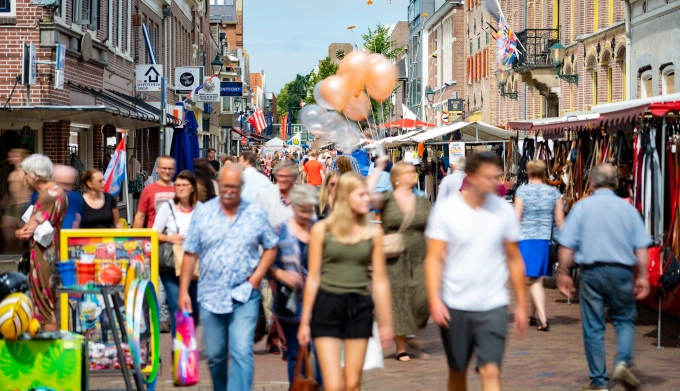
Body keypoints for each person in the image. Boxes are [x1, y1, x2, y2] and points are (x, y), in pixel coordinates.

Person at [425, 152, 527, 391]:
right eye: (489, 178)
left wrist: (522, 304)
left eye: (497, 177)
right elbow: (433, 259)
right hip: (455, 304)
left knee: (490, 370)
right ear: (470, 177)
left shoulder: (503, 211)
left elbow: (514, 259)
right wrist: (434, 300)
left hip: (493, 305)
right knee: (458, 372)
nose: (496, 183)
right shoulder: (447, 211)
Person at [179, 163, 279, 391]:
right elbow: (190, 251)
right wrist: (184, 290)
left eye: (234, 186)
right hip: (211, 295)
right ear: (218, 185)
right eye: (225, 186)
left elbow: (271, 247)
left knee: (242, 351)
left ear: (241, 187)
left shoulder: (254, 213)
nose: (229, 190)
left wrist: (256, 279)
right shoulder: (203, 212)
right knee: (215, 355)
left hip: (244, 293)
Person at [557, 163, 651, 391]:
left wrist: (563, 272)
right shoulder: (628, 209)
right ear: (615, 183)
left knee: (593, 326)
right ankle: (622, 361)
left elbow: (567, 243)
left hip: (592, 272)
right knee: (625, 320)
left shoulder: (582, 207)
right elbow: (641, 247)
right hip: (621, 272)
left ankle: (599, 380)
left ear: (592, 183)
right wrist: (643, 276)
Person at [298, 172, 393, 391]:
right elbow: (313, 277)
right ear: (346, 196)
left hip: (359, 306)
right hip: (327, 305)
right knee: (333, 385)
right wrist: (304, 321)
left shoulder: (373, 233)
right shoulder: (322, 230)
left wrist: (386, 321)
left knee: (352, 383)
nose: (366, 200)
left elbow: (380, 280)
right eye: (361, 195)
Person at [368, 159, 431, 362]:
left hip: (419, 253)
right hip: (394, 255)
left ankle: (412, 331)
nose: (414, 174)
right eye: (410, 172)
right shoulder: (386, 199)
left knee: (424, 297)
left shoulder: (422, 200)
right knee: (398, 297)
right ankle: (401, 347)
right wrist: (378, 168)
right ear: (398, 177)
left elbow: (433, 226)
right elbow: (366, 195)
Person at [271, 185, 323, 386]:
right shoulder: (280, 230)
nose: (306, 214)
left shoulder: (319, 228)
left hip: (318, 299)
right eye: (302, 209)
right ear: (293, 206)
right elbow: (268, 262)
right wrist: (280, 273)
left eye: (310, 209)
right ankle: (297, 387)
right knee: (296, 350)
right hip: (291, 301)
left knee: (321, 352)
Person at [15, 154, 67, 330]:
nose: (24, 177)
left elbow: (27, 230)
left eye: (27, 174)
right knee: (50, 303)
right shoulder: (57, 192)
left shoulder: (47, 195)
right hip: (52, 252)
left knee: (45, 308)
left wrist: (17, 231)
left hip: (43, 256)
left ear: (36, 175)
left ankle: (49, 350)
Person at [514, 160, 564, 332]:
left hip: (525, 239)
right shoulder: (553, 192)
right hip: (544, 239)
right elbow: (560, 221)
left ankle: (543, 319)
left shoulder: (522, 191)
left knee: (534, 279)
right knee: (536, 278)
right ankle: (533, 315)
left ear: (528, 173)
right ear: (544, 173)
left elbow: (516, 217)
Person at [153, 170, 201, 334]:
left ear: (193, 188)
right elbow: (153, 233)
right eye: (177, 185)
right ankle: (178, 349)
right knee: (176, 304)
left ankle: (188, 341)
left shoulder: (200, 208)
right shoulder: (168, 207)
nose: (180, 188)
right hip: (171, 262)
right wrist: (170, 238)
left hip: (194, 261)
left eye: (184, 185)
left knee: (194, 307)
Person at [2, 149, 32, 253]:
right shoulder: (12, 173)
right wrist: (5, 199)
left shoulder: (25, 172)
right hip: (12, 204)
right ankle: (11, 252)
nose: (11, 158)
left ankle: (25, 252)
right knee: (7, 226)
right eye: (10, 156)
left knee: (24, 229)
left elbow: (29, 188)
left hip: (24, 204)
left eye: (14, 156)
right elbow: (11, 189)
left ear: (22, 158)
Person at [133, 155, 176, 229]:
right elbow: (140, 216)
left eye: (170, 168)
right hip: (153, 237)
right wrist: (135, 238)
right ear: (157, 169)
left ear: (174, 170)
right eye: (164, 168)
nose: (167, 171)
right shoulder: (148, 190)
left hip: (175, 237)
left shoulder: (180, 189)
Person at [255, 159, 298, 230]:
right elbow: (256, 221)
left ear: (293, 177)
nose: (283, 179)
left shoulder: (302, 195)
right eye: (280, 176)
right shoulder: (263, 195)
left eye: (287, 176)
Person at [53, 165, 83, 229]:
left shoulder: (76, 198)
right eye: (63, 184)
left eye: (70, 184)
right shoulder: (41, 197)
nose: (66, 188)